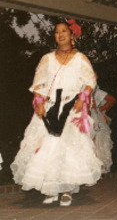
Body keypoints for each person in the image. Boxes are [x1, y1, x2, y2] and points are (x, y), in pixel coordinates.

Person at [11, 20, 102, 206]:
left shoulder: (80, 58)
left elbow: (90, 81)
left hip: (71, 106)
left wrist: (81, 98)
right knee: (48, 147)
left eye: (64, 31)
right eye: (56, 32)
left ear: (71, 35)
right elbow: (38, 82)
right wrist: (39, 101)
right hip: (50, 106)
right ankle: (50, 189)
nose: (60, 35)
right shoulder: (47, 58)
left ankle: (67, 190)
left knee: (68, 149)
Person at [91, 84, 116, 174]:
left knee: (99, 141)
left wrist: (101, 111)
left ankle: (99, 167)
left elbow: (112, 100)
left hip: (95, 117)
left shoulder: (95, 91)